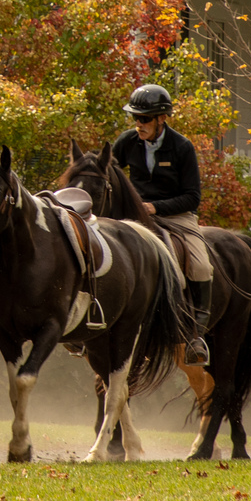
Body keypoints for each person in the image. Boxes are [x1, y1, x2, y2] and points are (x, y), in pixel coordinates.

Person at [108, 83, 212, 364]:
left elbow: (192, 198)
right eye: (135, 118)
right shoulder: (126, 142)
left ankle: (194, 335)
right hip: (136, 217)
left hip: (176, 216)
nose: (138, 124)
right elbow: (109, 174)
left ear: (161, 118)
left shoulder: (182, 147)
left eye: (144, 119)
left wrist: (155, 206)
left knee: (201, 265)